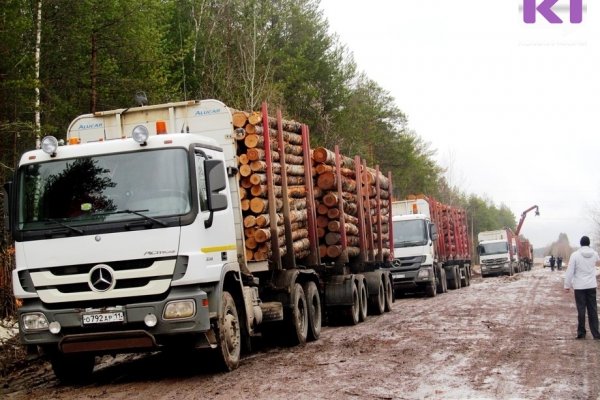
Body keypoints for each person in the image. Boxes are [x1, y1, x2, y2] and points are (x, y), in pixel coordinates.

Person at [564, 236, 600, 340]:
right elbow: (597, 260)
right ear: (589, 244)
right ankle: (596, 333)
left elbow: (570, 271)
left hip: (579, 286)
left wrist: (567, 285)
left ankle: (581, 333)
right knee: (593, 310)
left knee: (581, 309)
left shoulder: (575, 255)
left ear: (580, 243)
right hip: (591, 285)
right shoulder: (594, 254)